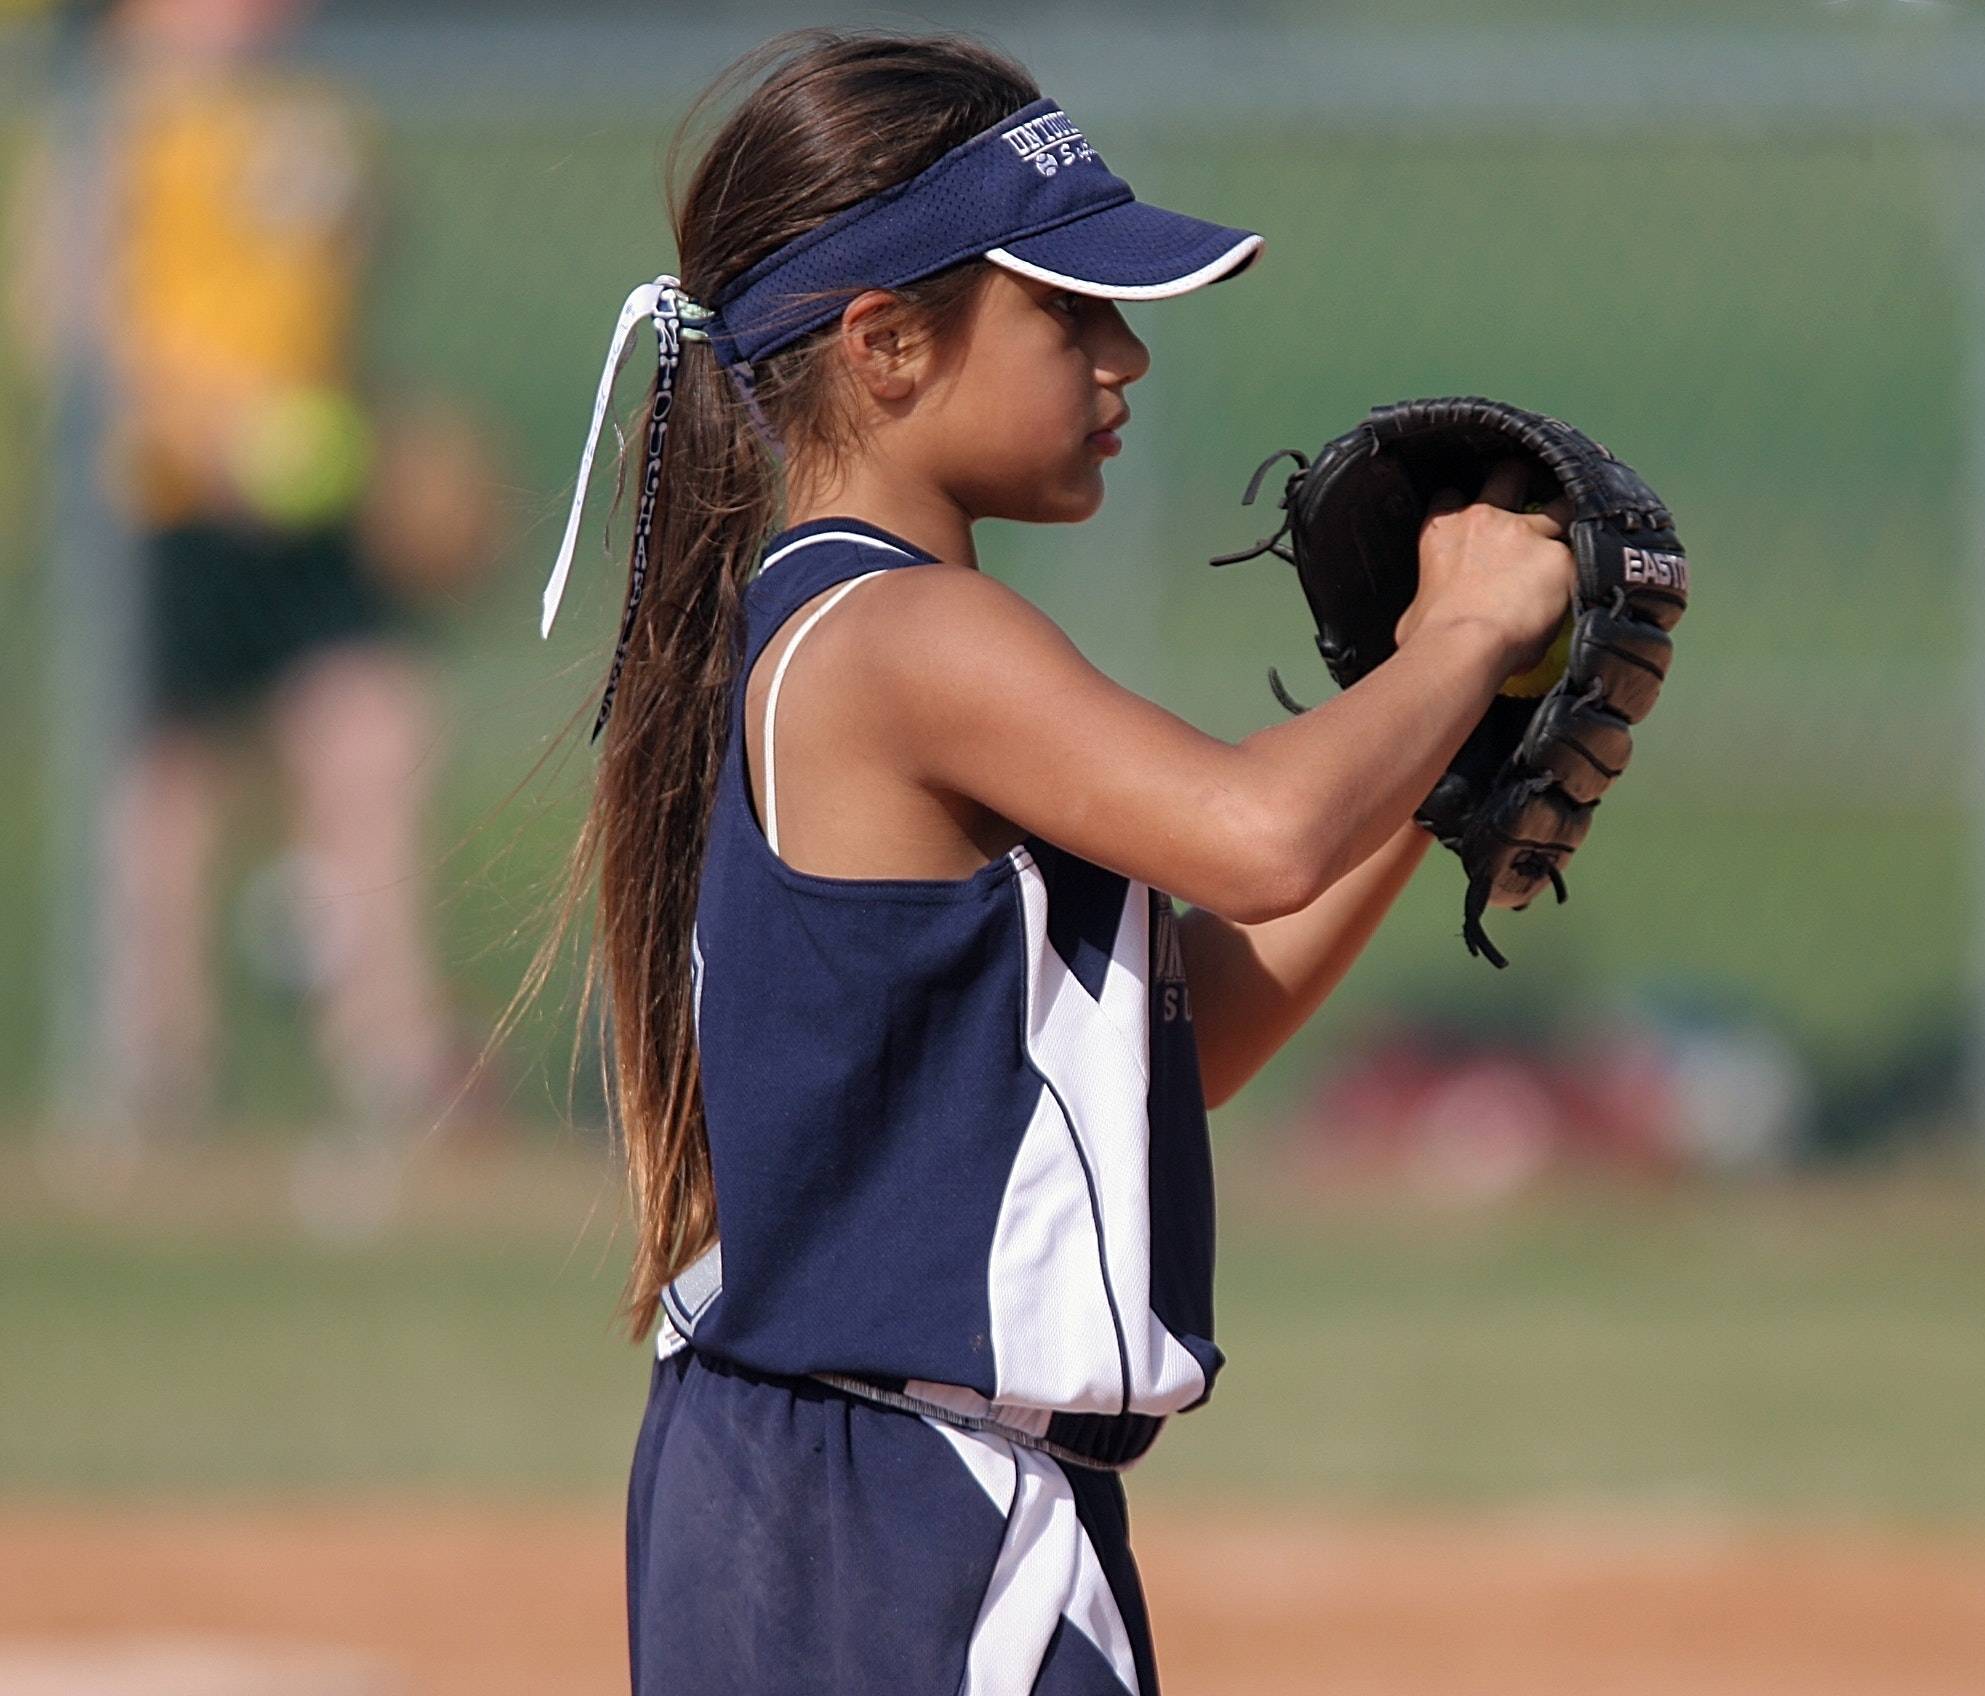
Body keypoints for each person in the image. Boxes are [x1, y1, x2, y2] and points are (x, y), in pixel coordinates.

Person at [522, 29, 1574, 1695]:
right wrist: (1456, 637)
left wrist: (1436, 747)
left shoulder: (860, 629)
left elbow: (1192, 1030)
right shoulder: (902, 635)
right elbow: (1257, 832)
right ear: (882, 344)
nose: (1120, 361)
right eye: (1065, 311)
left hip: (877, 1501)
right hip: (895, 1523)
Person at [23, 0, 470, 1228]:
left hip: (308, 501)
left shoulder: (311, 110)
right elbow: (65, 317)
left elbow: (339, 310)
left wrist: (380, 434)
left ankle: (394, 1062)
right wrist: (212, 426)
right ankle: (151, 1076)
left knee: (373, 737)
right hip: (158, 504)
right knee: (165, 794)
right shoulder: (111, 112)